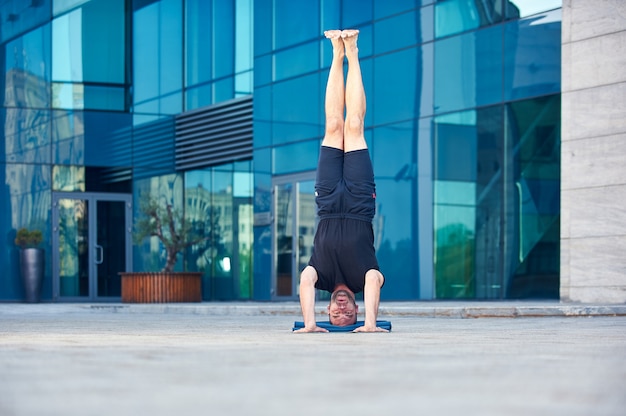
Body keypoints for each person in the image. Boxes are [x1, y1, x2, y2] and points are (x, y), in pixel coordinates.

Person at [294, 29, 387, 333]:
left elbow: (304, 280)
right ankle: (353, 52)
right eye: (349, 315)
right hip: (360, 203)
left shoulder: (319, 275)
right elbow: (375, 280)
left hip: (328, 201)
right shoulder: (365, 279)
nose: (342, 310)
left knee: (334, 126)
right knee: (355, 125)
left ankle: (336, 53)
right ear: (357, 308)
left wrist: (310, 324)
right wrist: (370, 325)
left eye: (335, 315)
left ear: (328, 308)